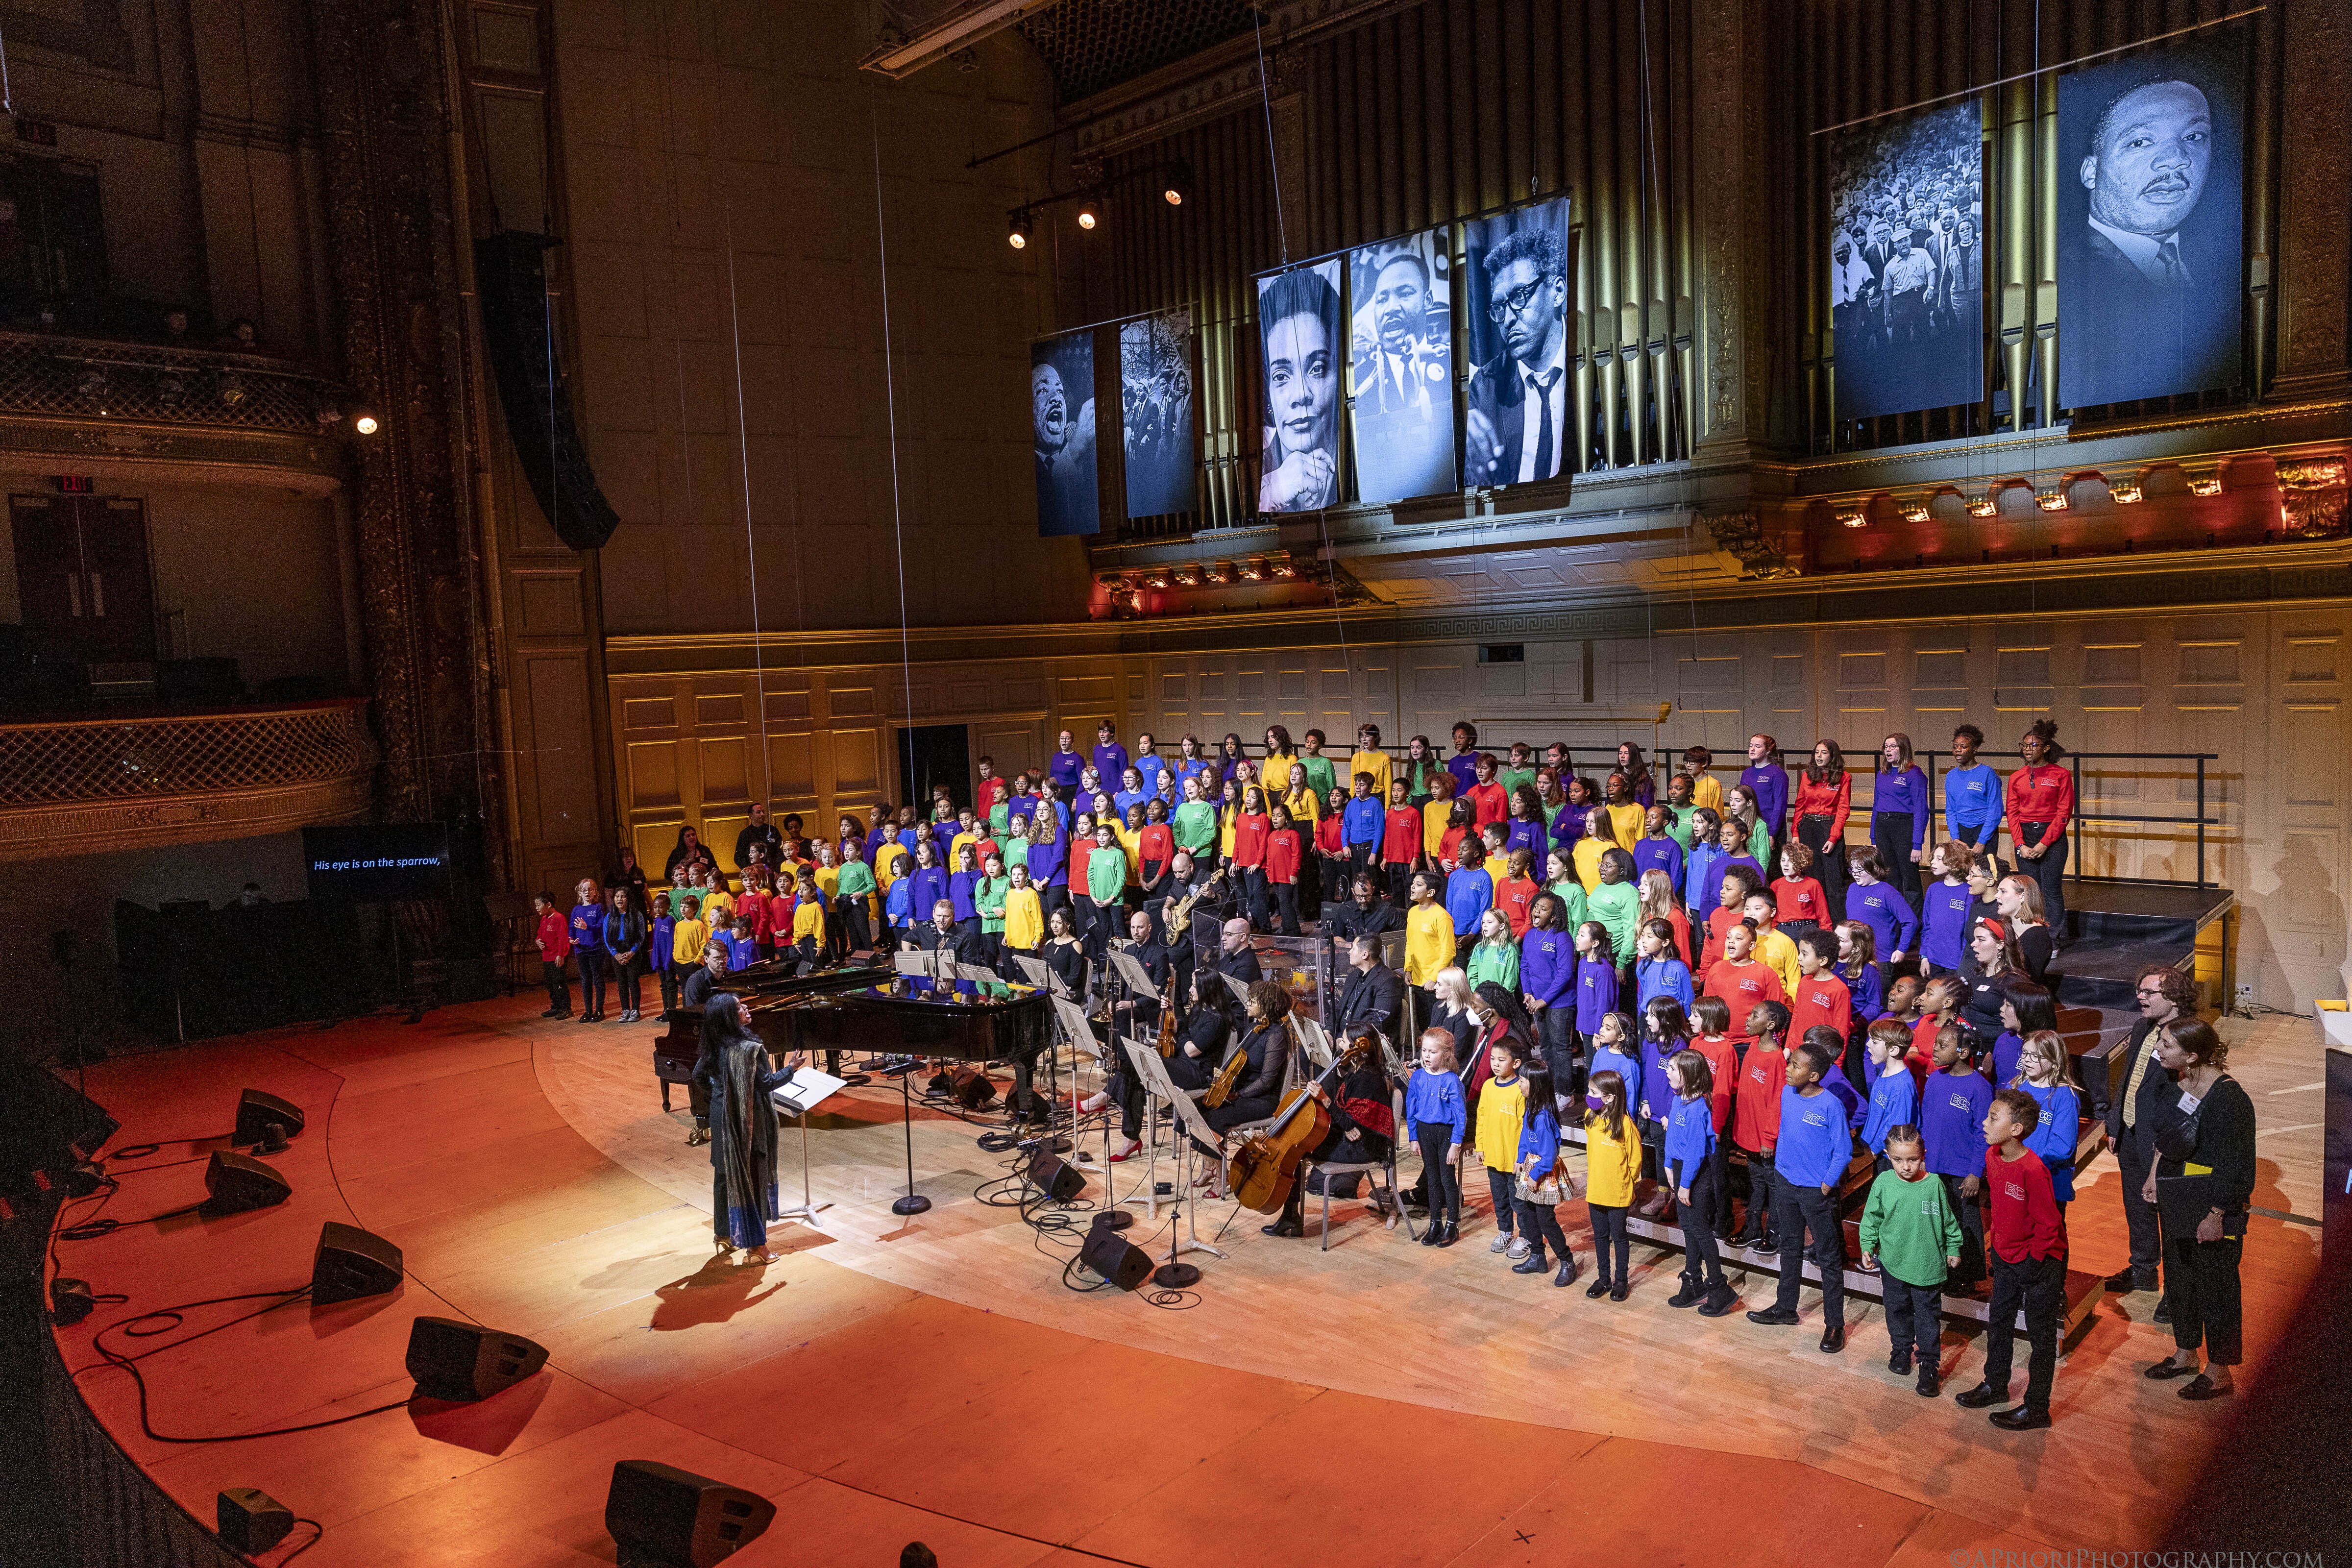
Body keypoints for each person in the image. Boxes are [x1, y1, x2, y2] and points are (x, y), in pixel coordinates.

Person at [2061, 73, 2235, 400]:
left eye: (2195, 136)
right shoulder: (2067, 273)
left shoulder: (2223, 269)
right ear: (2090, 172)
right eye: (2141, 142)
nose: (2176, 159)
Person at [2141, 1019, 2253, 1400]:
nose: (2158, 1047)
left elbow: (2237, 1166)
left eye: (2166, 1044)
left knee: (2216, 1288)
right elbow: (2166, 1140)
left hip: (2212, 1205)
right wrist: (2155, 1176)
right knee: (2181, 1281)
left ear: (2192, 1054)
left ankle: (2220, 1371)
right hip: (2177, 1197)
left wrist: (2217, 1214)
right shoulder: (2178, 1083)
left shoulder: (2229, 1099)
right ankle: (2185, 1353)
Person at [1956, 1090, 2069, 1429]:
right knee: (1999, 1323)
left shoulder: (2034, 1169)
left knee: (2041, 1337)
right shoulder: (1992, 1156)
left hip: (2041, 1262)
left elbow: (2050, 1225)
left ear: (2017, 1129)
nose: (1984, 1123)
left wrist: (2033, 1264)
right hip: (2007, 1259)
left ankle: (2037, 1408)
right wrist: (2000, 1250)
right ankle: (1995, 1385)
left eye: (1993, 1118)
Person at [1747, 1039, 1853, 1352]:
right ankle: (1786, 1308)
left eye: (1795, 1065)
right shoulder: (1786, 1093)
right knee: (1789, 1248)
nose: (1788, 1069)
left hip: (1816, 1193)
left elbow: (1844, 1152)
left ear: (1815, 1075)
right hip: (1785, 1184)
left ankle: (1835, 1324)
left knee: (1829, 1259)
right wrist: (1781, 1170)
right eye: (1789, 1062)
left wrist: (1826, 1185)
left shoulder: (1831, 1105)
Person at [2097, 964, 2194, 1299]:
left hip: (2162, 1142)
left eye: (2149, 992)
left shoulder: (2188, 1036)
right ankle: (2143, 1272)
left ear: (2175, 997)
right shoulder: (2143, 1027)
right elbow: (2127, 1078)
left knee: (2168, 1215)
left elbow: (2187, 1098)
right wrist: (2115, 1123)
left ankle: (2177, 1288)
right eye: (2140, 990)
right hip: (2129, 1134)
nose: (2140, 996)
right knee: (2137, 1211)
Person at [693, 994, 805, 1264]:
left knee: (724, 1174)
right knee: (754, 1178)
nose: (746, 1008)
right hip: (750, 1120)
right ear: (731, 1018)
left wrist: (723, 1096)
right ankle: (757, 1248)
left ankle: (724, 1234)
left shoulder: (713, 1044)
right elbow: (765, 1084)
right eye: (739, 1007)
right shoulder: (750, 1048)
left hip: (722, 1117)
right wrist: (790, 1069)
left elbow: (698, 1076)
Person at [1859, 1126, 1963, 1396]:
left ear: (1923, 1155)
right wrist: (1868, 1246)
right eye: (1898, 1160)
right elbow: (1872, 1219)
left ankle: (1929, 1364)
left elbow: (1949, 1222)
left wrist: (1954, 1247)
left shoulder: (1935, 1184)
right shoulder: (1883, 1182)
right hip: (1892, 1263)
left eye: (1912, 1159)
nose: (1906, 1167)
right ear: (1887, 1156)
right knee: (1896, 1310)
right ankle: (1902, 1350)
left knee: (1928, 1317)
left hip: (1927, 1265)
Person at [1263, 1025, 1394, 1239]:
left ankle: (1290, 1216)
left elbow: (1354, 1127)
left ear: (1356, 1047)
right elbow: (1348, 1121)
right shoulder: (1356, 1072)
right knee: (1297, 1146)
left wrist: (1324, 1099)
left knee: (1295, 1150)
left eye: (1343, 1041)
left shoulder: (1367, 1079)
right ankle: (1289, 1216)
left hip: (1364, 1148)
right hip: (1352, 1139)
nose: (1339, 1045)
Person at [1465, 223, 1570, 486]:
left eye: (1520, 296)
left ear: (1557, 292)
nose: (1508, 320)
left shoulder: (1595, 362)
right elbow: (1478, 482)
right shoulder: (1486, 385)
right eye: (1499, 307)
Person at [1256, 266, 1344, 512]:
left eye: (1317, 368)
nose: (1301, 394)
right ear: (1269, 395)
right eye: (1282, 376)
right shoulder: (1251, 480)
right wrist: (1272, 493)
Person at [1193, 981, 1297, 1183]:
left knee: (1215, 1117)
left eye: (1253, 1000)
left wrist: (1238, 1095)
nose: (1247, 1003)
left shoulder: (1276, 1036)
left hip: (1262, 1100)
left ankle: (1221, 1175)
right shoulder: (1254, 1028)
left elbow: (1267, 1081)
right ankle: (1210, 1167)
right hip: (1241, 1093)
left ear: (1267, 1005)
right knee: (1196, 1108)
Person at [1662, 1050, 1736, 1313]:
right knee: (1689, 1229)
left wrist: (1685, 1184)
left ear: (1690, 1076)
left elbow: (1695, 1151)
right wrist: (1669, 1166)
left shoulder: (1697, 1108)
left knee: (1700, 1230)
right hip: (1680, 1171)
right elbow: (1672, 1139)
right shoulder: (1677, 1102)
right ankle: (1693, 1280)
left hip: (1696, 1175)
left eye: (1673, 1068)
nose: (1667, 1072)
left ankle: (1719, 1287)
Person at [1922, 1024, 1992, 1290]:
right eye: (1936, 1044)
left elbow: (1982, 1134)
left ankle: (1968, 1276)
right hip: (1934, 1166)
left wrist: (1976, 1172)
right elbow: (1927, 1120)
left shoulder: (1980, 1088)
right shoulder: (1936, 1079)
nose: (1935, 1050)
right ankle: (1942, 1269)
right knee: (1938, 1218)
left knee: (1966, 1221)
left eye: (1942, 1045)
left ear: (1963, 1052)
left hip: (1962, 1171)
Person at [2006, 719, 2074, 939]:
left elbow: (2064, 812)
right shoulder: (2017, 777)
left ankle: (2052, 937)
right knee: (2028, 890)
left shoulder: (2060, 775)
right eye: (2024, 745)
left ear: (2045, 748)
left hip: (2051, 837)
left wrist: (2045, 842)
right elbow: (2012, 813)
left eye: (2033, 745)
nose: (2028, 750)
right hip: (2025, 836)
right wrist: (2020, 844)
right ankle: (2032, 935)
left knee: (2051, 889)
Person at [1406, 1028, 1468, 1247]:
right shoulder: (1418, 1077)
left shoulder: (1452, 1081)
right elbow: (1411, 1108)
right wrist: (1413, 1137)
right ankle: (1435, 1223)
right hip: (1425, 1132)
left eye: (1432, 1052)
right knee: (1432, 1180)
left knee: (1447, 1180)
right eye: (1424, 1050)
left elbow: (1461, 1114)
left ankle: (1452, 1224)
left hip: (1446, 1134)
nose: (1426, 1056)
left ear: (1446, 1055)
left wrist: (1456, 1143)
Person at [1474, 1032, 1532, 1256]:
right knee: (1500, 1199)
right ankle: (1505, 1231)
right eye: (1493, 1059)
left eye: (1502, 1060)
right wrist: (1480, 1146)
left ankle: (1526, 1236)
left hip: (1514, 1161)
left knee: (1520, 1202)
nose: (1495, 1064)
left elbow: (1525, 1127)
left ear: (1516, 1063)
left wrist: (1521, 1158)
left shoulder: (1520, 1091)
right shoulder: (1488, 1086)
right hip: (1493, 1157)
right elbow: (1481, 1118)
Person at [1792, 741, 1853, 920]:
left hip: (1829, 827)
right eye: (1817, 752)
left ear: (1832, 756)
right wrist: (1796, 832)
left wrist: (1834, 837)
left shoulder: (1844, 777)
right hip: (1809, 827)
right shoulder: (1807, 775)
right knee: (1813, 878)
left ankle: (1838, 924)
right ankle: (1815, 920)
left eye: (1824, 753)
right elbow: (1800, 805)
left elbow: (1843, 809)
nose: (1819, 756)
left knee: (1834, 881)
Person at [1873, 735, 1931, 904]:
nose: (1888, 750)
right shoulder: (1882, 773)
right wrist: (1874, 837)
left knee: (1909, 877)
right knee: (1889, 875)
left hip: (1904, 826)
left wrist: (1917, 844)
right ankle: (1894, 918)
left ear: (1903, 749)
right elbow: (1876, 805)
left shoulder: (1914, 774)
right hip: (1883, 825)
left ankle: (1914, 923)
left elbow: (1921, 810)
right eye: (1886, 747)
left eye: (1893, 747)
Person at [1334, 933, 1403, 1043]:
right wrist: (1328, 1031)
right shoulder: (1353, 976)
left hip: (1363, 1043)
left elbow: (1378, 1024)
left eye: (1353, 948)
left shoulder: (1388, 982)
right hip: (1341, 1038)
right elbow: (1339, 1009)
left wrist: (1346, 1040)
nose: (1350, 952)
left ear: (1365, 954)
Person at [569, 878, 609, 1023]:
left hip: (595, 949)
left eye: (590, 889)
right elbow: (572, 928)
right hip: (581, 949)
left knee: (597, 979)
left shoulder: (598, 907)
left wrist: (588, 927)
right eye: (584, 890)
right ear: (580, 892)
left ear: (595, 892)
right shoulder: (576, 909)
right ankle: (588, 1010)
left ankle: (599, 1010)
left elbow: (602, 926)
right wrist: (571, 939)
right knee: (586, 981)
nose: (587, 892)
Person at [533, 890, 572, 1020]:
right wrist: (538, 941)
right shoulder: (544, 919)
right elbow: (540, 934)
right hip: (547, 957)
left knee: (559, 982)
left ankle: (566, 1008)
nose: (537, 908)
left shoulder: (559, 918)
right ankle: (556, 1007)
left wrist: (560, 955)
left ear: (548, 905)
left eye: (539, 905)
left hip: (557, 957)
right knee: (550, 983)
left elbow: (562, 938)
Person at [734, 804, 783, 874]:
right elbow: (739, 857)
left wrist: (775, 870)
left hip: (773, 872)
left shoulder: (772, 830)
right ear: (751, 816)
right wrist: (751, 870)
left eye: (763, 812)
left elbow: (780, 851)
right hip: (753, 874)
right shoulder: (745, 834)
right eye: (759, 812)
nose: (762, 814)